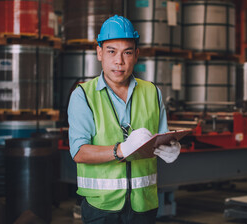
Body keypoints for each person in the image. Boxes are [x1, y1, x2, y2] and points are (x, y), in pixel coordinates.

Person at [67, 15, 181, 224]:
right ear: (99, 53)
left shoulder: (152, 92)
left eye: (127, 52)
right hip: (101, 207)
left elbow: (161, 139)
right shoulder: (83, 95)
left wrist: (172, 149)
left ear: (136, 55)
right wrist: (121, 150)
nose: (119, 61)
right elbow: (79, 151)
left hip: (144, 206)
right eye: (111, 51)